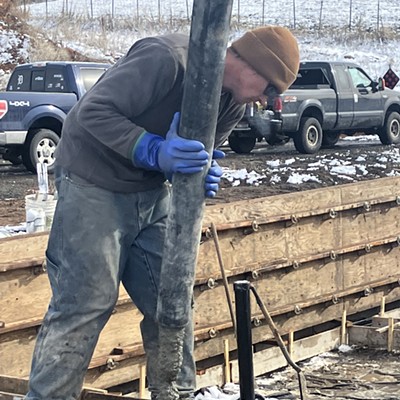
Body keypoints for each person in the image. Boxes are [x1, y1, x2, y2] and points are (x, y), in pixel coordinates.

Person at [25, 25, 300, 400]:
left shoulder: (233, 102)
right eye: (270, 89)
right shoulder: (166, 59)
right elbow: (91, 112)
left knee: (172, 301)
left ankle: (175, 394)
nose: (268, 101)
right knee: (84, 305)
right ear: (251, 65)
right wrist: (152, 149)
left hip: (153, 192)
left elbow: (198, 152)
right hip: (94, 181)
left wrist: (197, 171)